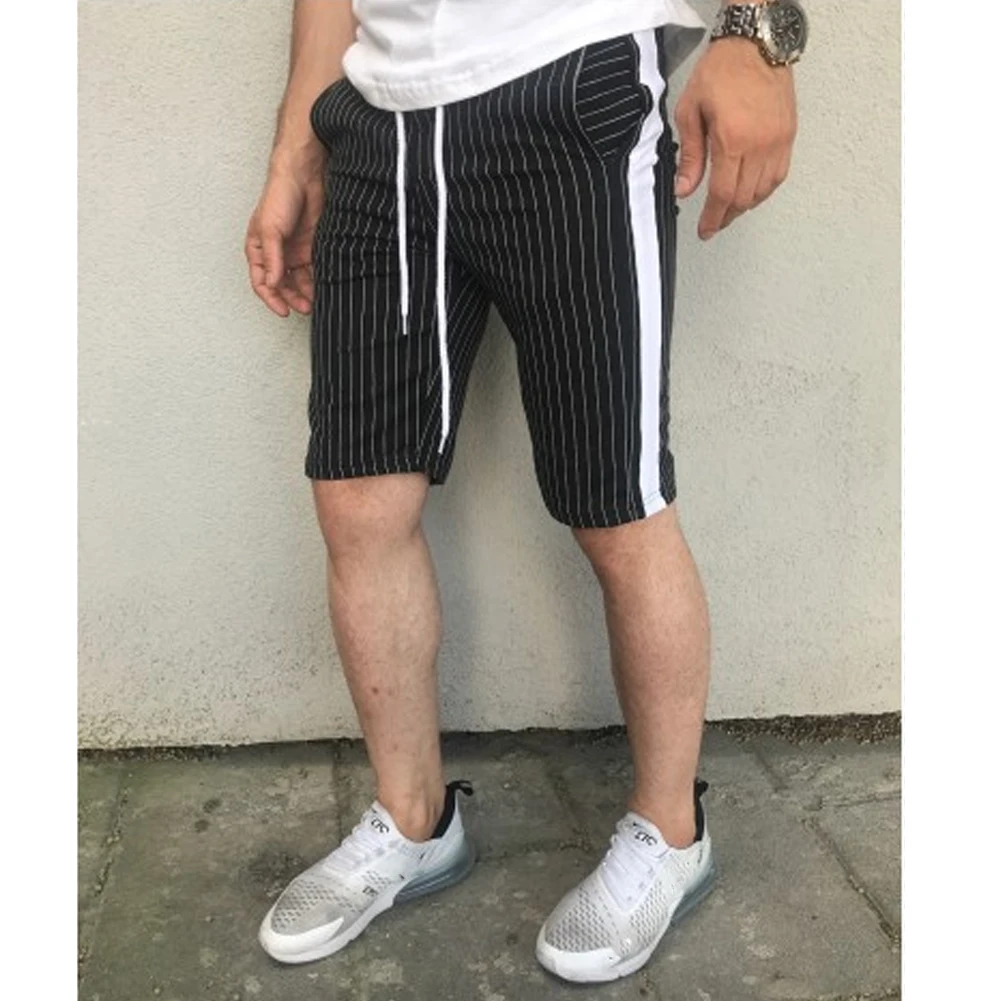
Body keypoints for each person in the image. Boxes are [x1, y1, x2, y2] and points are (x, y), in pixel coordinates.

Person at [245, 0, 803, 984]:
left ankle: (669, 832)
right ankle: (413, 821)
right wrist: (295, 149)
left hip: (567, 92)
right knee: (358, 498)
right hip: (379, 126)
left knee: (616, 505)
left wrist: (756, 32)